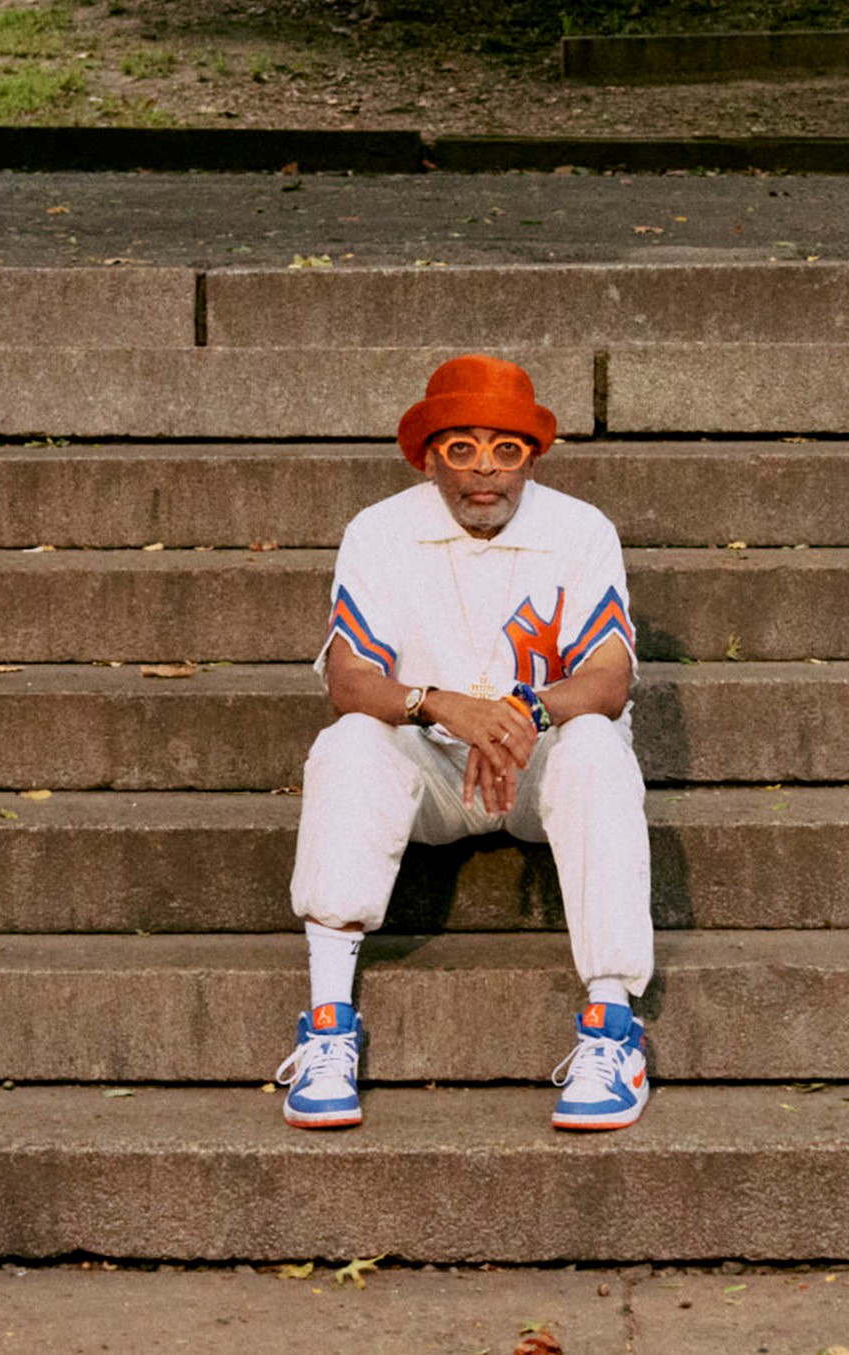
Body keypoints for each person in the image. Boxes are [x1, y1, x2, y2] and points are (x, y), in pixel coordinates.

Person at [275, 353, 655, 1132]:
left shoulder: (581, 529)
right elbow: (348, 679)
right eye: (463, 448)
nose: (486, 470)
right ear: (428, 457)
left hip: (537, 760)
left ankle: (613, 1028)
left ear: (532, 457)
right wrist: (442, 706)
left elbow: (610, 678)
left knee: (595, 745)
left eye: (506, 449)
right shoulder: (379, 530)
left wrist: (523, 716)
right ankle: (325, 1024)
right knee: (351, 741)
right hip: (433, 769)